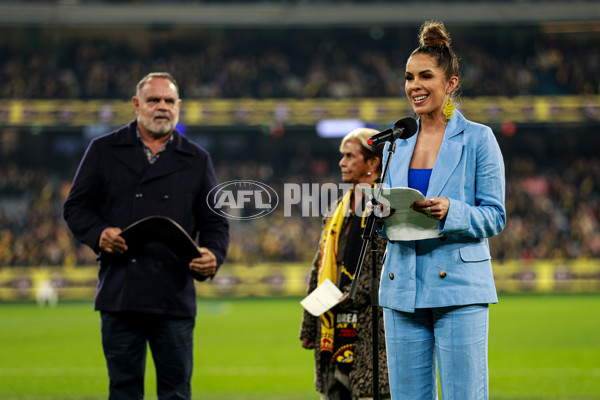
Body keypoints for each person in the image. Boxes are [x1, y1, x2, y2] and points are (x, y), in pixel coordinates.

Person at [63, 72, 229, 400]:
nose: (162, 107)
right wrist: (98, 234)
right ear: (137, 105)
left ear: (179, 107)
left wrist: (213, 254)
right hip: (121, 292)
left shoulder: (197, 158)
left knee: (176, 393)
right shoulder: (103, 149)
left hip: (174, 295)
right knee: (124, 390)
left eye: (169, 101)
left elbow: (216, 222)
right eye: (154, 100)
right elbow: (76, 207)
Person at [377, 21, 506, 399]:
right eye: (408, 77)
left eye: (425, 76)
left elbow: (495, 216)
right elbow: (391, 221)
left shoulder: (479, 138)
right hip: (402, 289)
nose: (414, 85)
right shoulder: (396, 142)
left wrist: (452, 211)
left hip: (459, 291)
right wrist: (380, 214)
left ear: (450, 84)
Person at [300, 128, 390, 400]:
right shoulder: (338, 209)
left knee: (369, 391)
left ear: (372, 163)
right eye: (342, 156)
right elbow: (321, 266)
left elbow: (384, 264)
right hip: (334, 323)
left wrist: (354, 292)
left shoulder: (386, 207)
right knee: (335, 392)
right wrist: (309, 323)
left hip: (372, 326)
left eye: (350, 156)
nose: (341, 162)